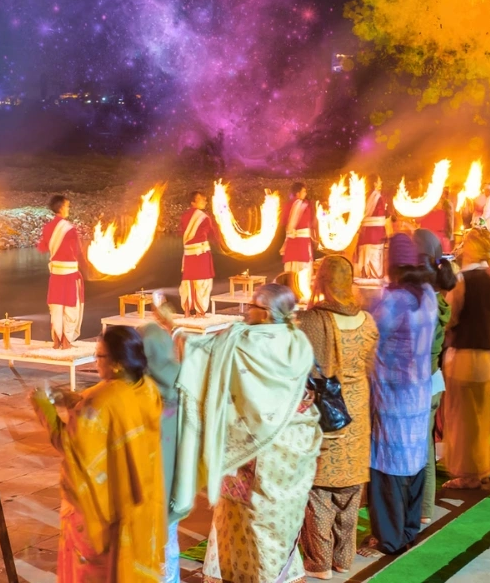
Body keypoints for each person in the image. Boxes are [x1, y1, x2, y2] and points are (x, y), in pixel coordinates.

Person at [170, 284, 320, 582]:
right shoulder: (297, 340)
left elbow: (199, 353)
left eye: (251, 306)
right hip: (292, 451)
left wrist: (174, 330)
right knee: (278, 526)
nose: (245, 311)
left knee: (249, 527)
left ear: (265, 313)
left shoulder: (244, 342)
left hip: (250, 453)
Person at [30, 326, 166, 580]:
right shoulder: (146, 389)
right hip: (138, 502)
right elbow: (109, 405)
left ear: (116, 363)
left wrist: (44, 408)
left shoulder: (101, 403)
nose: (95, 361)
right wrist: (74, 399)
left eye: (99, 356)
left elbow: (70, 445)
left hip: (100, 512)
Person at [298, 256, 378, 578]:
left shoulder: (314, 321)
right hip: (357, 408)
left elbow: (306, 367)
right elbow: (370, 362)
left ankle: (320, 562)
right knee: (350, 488)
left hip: (327, 411)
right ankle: (344, 558)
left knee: (319, 491)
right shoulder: (368, 321)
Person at [359, 235, 438, 557]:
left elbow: (368, 333)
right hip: (419, 392)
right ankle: (407, 530)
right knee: (414, 463)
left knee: (388, 468)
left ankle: (389, 538)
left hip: (393, 398)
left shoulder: (394, 300)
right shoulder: (427, 295)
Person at [441, 228, 490, 489]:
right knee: (479, 414)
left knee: (463, 415)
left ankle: (467, 473)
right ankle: (480, 466)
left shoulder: (462, 280)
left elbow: (450, 317)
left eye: (465, 243)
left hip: (464, 351)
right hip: (487, 352)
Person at [412, 229, 457, 524]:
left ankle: (419, 507)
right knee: (424, 445)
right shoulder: (437, 301)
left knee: (415, 447)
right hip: (432, 379)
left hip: (419, 381)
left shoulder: (420, 301)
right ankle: (426, 507)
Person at [137, 302, 183, 583]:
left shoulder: (139, 395)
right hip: (174, 491)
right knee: (170, 540)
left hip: (145, 492)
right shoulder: (180, 387)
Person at [38, 195, 84, 349]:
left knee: (56, 307)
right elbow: (78, 251)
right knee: (71, 307)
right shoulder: (69, 229)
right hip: (70, 274)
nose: (68, 209)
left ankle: (57, 341)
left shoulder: (47, 227)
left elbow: (42, 247)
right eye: (67, 206)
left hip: (56, 274)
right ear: (62, 207)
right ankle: (67, 341)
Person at [179, 191, 217, 317]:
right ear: (193, 202)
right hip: (201, 254)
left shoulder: (184, 217)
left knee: (188, 281)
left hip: (189, 254)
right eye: (201, 199)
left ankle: (187, 311)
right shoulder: (204, 217)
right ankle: (200, 312)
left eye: (205, 199)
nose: (205, 201)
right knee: (202, 281)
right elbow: (212, 234)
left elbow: (181, 233)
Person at [282, 182, 316, 287]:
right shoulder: (305, 206)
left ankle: (291, 288)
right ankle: (301, 289)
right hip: (301, 243)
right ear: (297, 193)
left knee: (291, 266)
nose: (305, 193)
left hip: (292, 242)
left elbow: (284, 222)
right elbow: (311, 222)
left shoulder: (287, 205)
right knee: (302, 267)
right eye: (304, 191)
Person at [356, 184, 388, 279]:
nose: (381, 183)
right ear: (374, 183)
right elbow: (383, 217)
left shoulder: (361, 196)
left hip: (364, 235)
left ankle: (365, 276)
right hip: (376, 235)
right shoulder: (378, 197)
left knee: (365, 259)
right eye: (379, 181)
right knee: (374, 262)